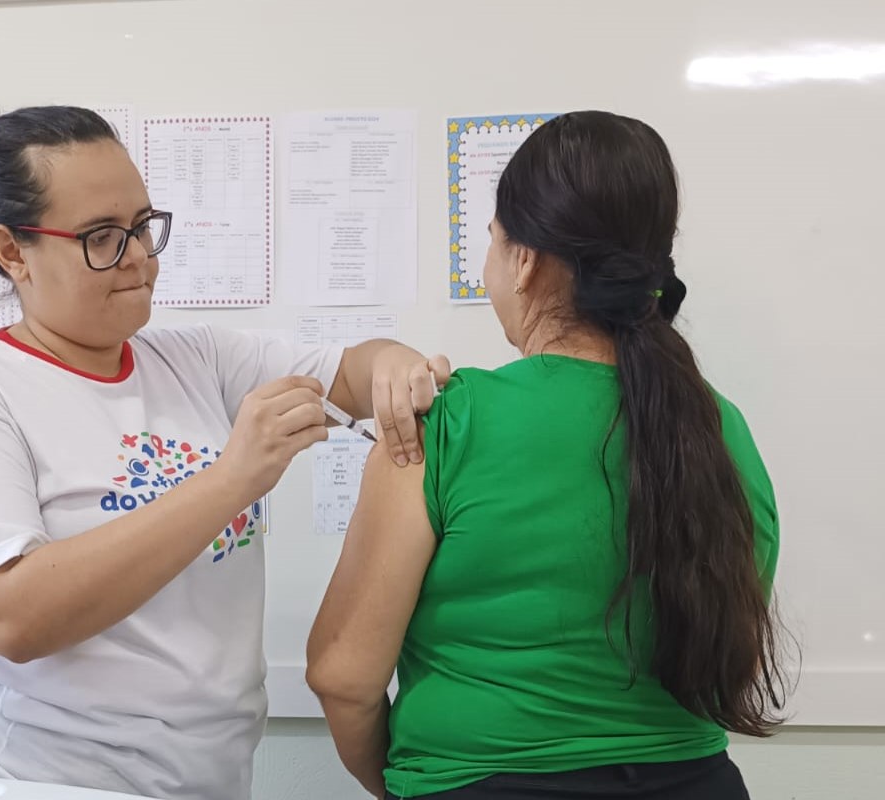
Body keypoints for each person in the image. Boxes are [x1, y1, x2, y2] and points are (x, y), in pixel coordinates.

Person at [0, 105, 448, 800]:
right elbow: (10, 615)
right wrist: (231, 480)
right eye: (101, 237)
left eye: (143, 227)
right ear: (12, 251)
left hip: (203, 782)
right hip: (35, 782)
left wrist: (395, 366)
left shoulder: (199, 359)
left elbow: (354, 370)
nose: (139, 259)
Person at [306, 111, 788, 800]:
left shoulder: (445, 423)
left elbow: (342, 675)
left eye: (495, 244)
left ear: (524, 260)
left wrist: (415, 782)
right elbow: (727, 644)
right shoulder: (719, 429)